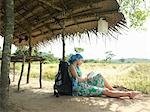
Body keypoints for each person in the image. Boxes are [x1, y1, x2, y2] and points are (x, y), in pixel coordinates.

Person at [68, 53, 139, 98]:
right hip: (79, 88)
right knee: (105, 91)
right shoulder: (72, 67)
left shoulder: (76, 67)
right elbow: (78, 80)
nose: (82, 62)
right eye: (81, 60)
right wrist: (87, 78)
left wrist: (88, 76)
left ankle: (113, 89)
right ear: (77, 60)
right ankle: (129, 94)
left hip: (82, 84)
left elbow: (79, 78)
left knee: (99, 76)